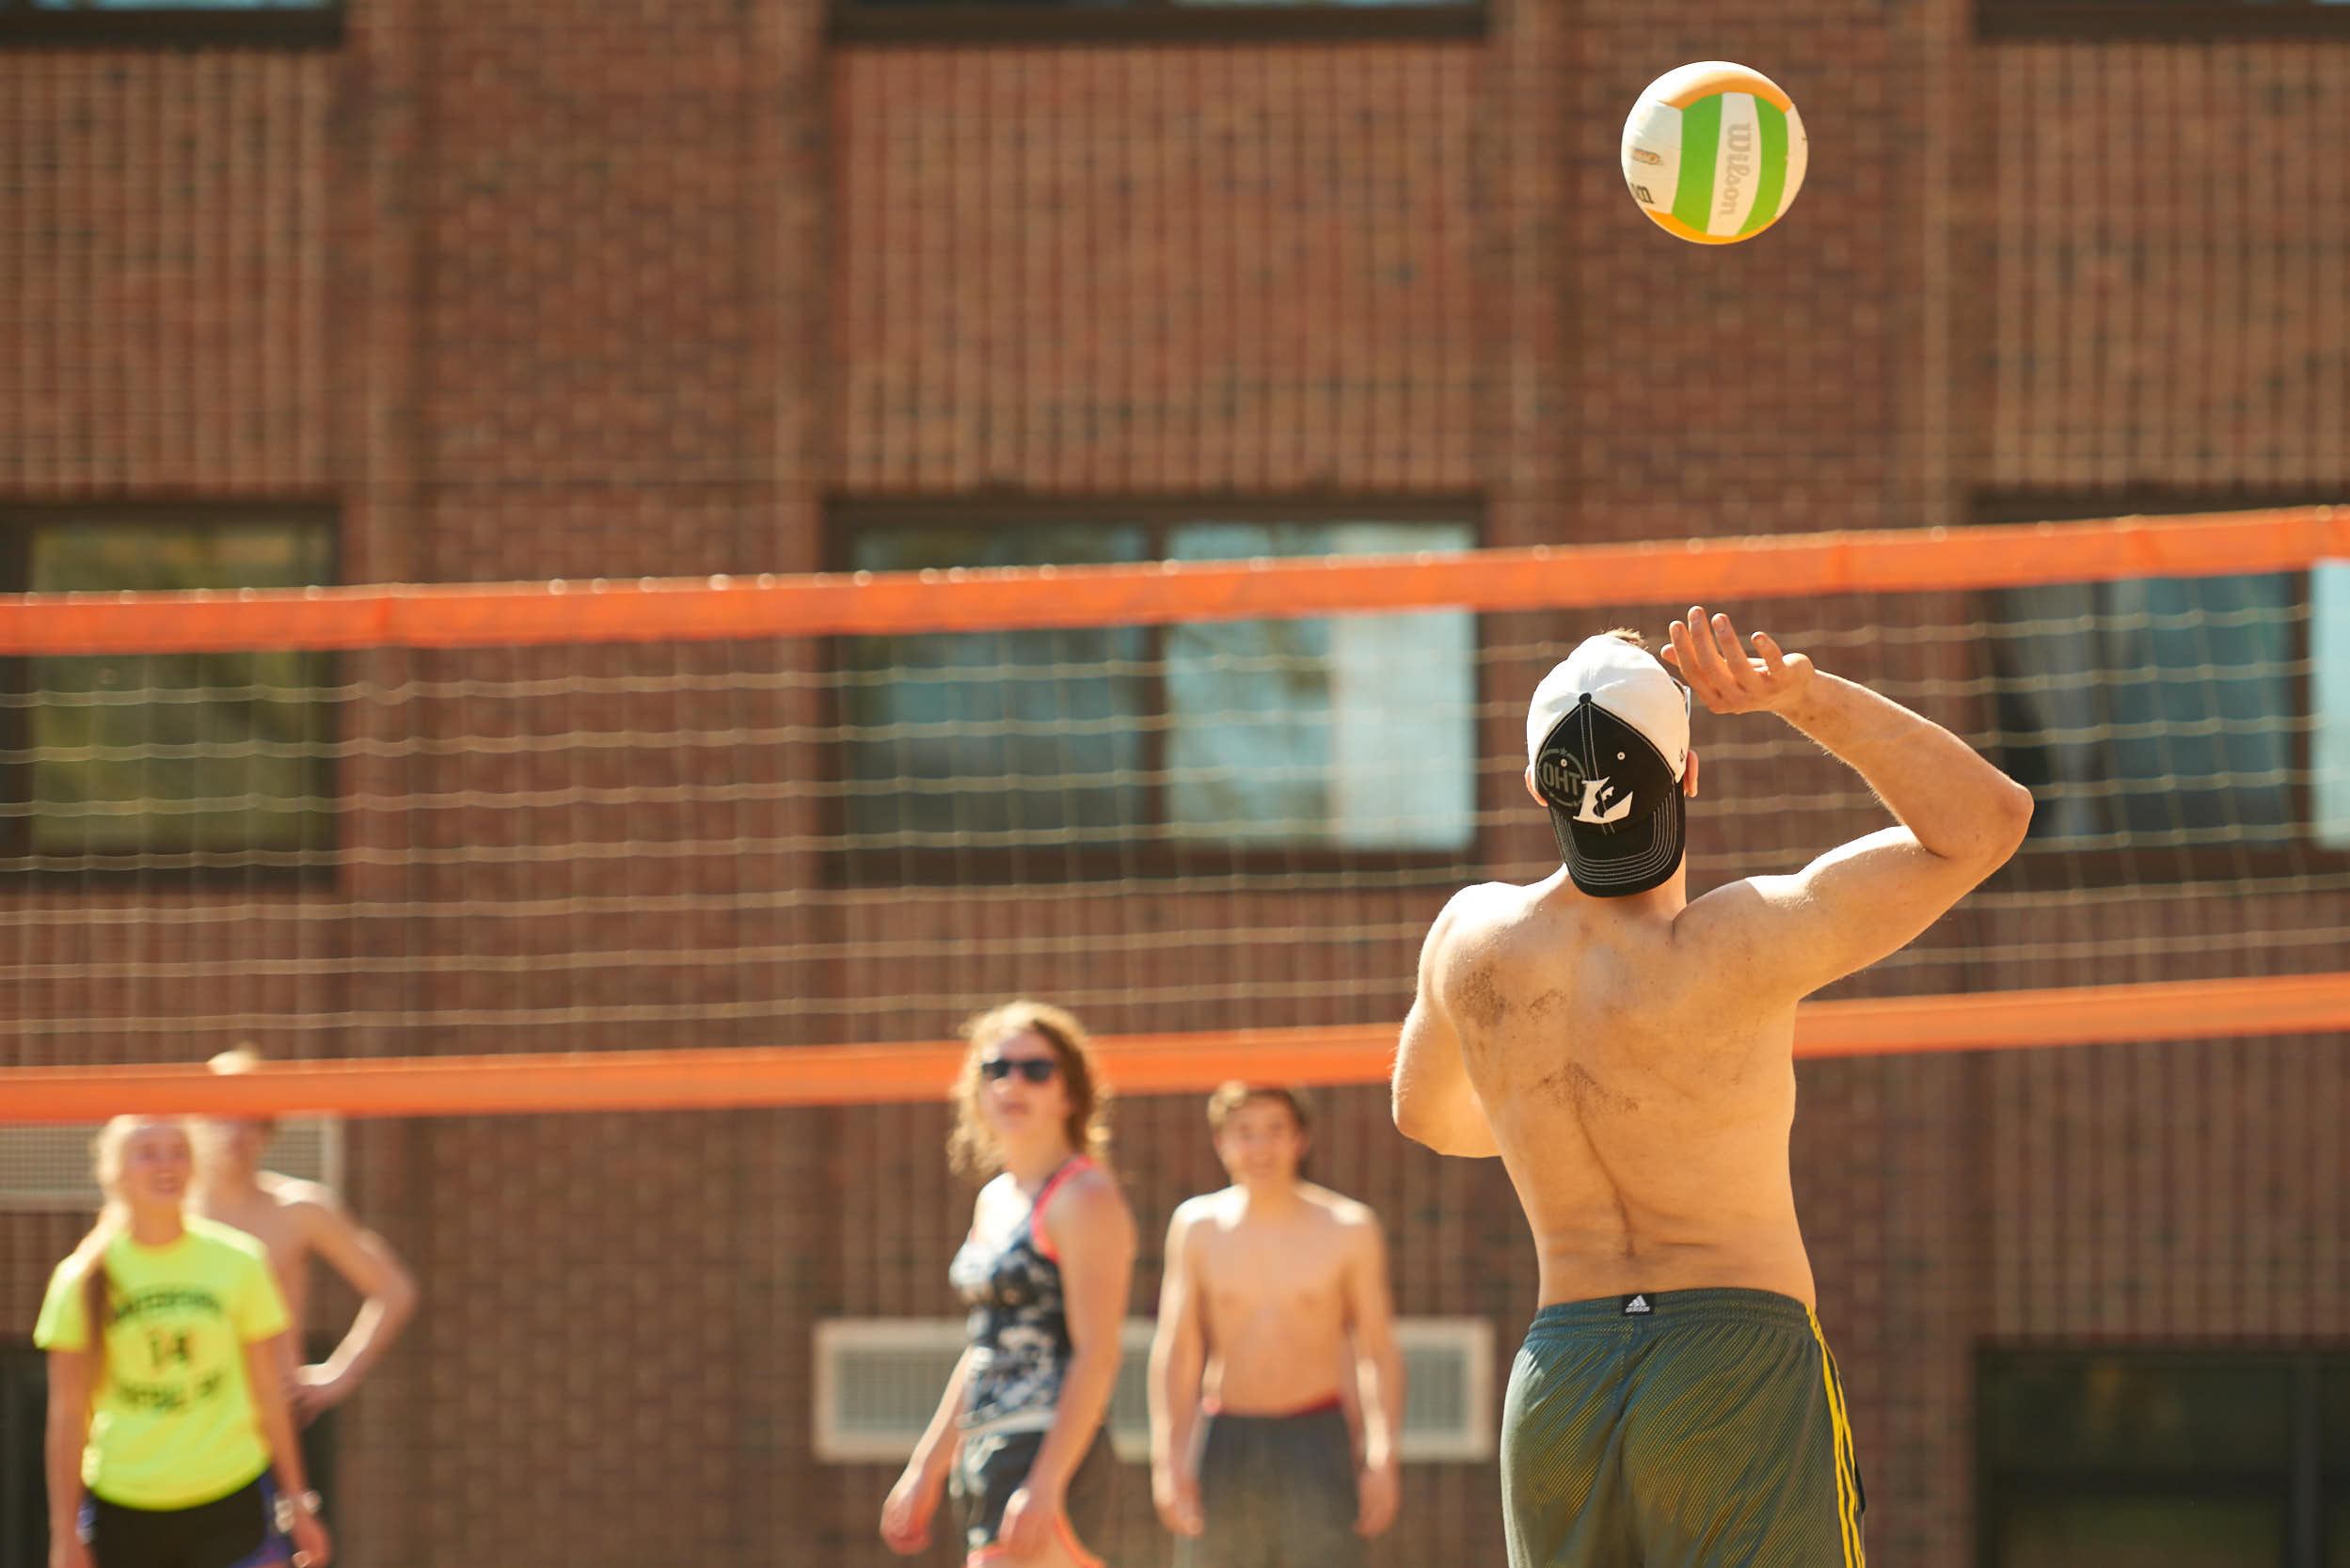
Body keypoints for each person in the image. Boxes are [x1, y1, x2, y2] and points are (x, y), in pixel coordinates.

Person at [1391, 610, 2033, 1568]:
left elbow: (1425, 1115)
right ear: (1688, 771)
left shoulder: (1469, 937)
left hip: (1561, 1373)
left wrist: (1559, 1103)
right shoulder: (1740, 941)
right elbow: (1988, 821)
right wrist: (1804, 697)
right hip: (1727, 1359)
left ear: (1537, 787)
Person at [881, 1001, 1139, 1568]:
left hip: (1048, 1449)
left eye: (1036, 1070)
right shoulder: (994, 1198)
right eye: (995, 1069)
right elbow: (985, 1346)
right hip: (986, 1448)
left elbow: (1097, 1354)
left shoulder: (1084, 1196)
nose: (1012, 1083)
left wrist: (1046, 1483)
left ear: (1070, 1093)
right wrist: (927, 1466)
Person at [37, 1116, 332, 1568]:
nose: (165, 1164)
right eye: (148, 1153)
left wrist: (296, 1501)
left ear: (196, 1167)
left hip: (229, 1494)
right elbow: (69, 1414)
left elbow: (268, 1391)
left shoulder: (240, 1261)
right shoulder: (80, 1278)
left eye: (178, 1151)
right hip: (126, 1504)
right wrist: (64, 1534)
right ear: (115, 1172)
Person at [1147, 1084, 1404, 1568]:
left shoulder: (1348, 1228)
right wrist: (1169, 1459)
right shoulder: (1197, 1227)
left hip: (1317, 1435)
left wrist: (1382, 1456)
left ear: (1300, 1141)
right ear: (1221, 1143)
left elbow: (1378, 1351)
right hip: (1226, 1433)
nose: (1259, 1147)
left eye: (1274, 1131)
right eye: (1244, 1132)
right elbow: (1177, 1350)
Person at [188, 1045, 417, 1564]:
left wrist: (340, 1372)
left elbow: (394, 1290)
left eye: (253, 1120)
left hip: (265, 1438)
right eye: (223, 1115)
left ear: (269, 1130)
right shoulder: (163, 1218)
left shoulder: (299, 1210)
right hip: (177, 1435)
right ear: (195, 1120)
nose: (236, 1133)